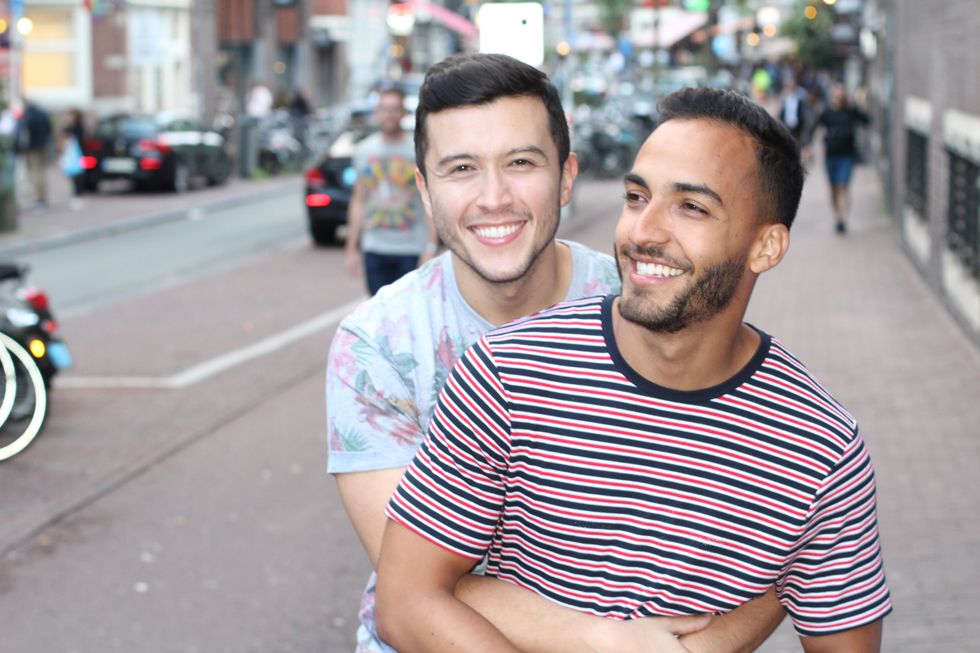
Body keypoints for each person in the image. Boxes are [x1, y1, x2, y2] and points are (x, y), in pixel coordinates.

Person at [377, 86, 893, 652]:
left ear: (766, 247)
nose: (643, 232)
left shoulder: (820, 448)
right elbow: (406, 604)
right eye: (636, 196)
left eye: (691, 207)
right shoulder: (507, 374)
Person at [328, 53, 786, 653]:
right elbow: (412, 580)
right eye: (461, 168)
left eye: (521, 163)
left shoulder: (644, 295)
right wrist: (609, 640)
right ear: (425, 190)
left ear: (567, 177)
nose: (494, 198)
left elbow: (775, 503)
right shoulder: (375, 346)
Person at [343, 85, 437, 296]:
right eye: (385, 109)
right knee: (379, 317)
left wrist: (430, 247)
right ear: (377, 113)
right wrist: (352, 249)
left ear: (403, 112)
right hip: (375, 248)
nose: (390, 114)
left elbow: (429, 199)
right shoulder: (364, 151)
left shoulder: (417, 151)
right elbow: (358, 200)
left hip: (411, 248)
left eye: (395, 109)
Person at [805, 82, 870, 235]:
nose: (838, 98)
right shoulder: (827, 112)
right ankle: (837, 214)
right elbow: (814, 127)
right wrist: (809, 145)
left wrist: (858, 104)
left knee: (843, 186)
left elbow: (867, 120)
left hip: (846, 156)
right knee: (834, 188)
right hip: (831, 156)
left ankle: (842, 218)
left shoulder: (851, 111)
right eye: (835, 95)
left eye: (841, 95)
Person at [16, 99, 53, 208]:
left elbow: (22, 132)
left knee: (35, 173)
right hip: (43, 146)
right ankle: (42, 196)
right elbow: (49, 129)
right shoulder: (42, 113)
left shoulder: (27, 115)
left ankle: (39, 197)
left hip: (32, 148)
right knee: (42, 172)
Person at [59, 108, 87, 206]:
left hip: (77, 153)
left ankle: (78, 193)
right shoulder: (71, 126)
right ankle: (76, 193)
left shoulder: (78, 127)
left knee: (78, 173)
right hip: (72, 154)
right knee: (74, 173)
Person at [777, 77, 810, 146]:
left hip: (796, 127)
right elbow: (781, 113)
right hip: (786, 125)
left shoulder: (799, 100)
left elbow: (802, 114)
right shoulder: (785, 99)